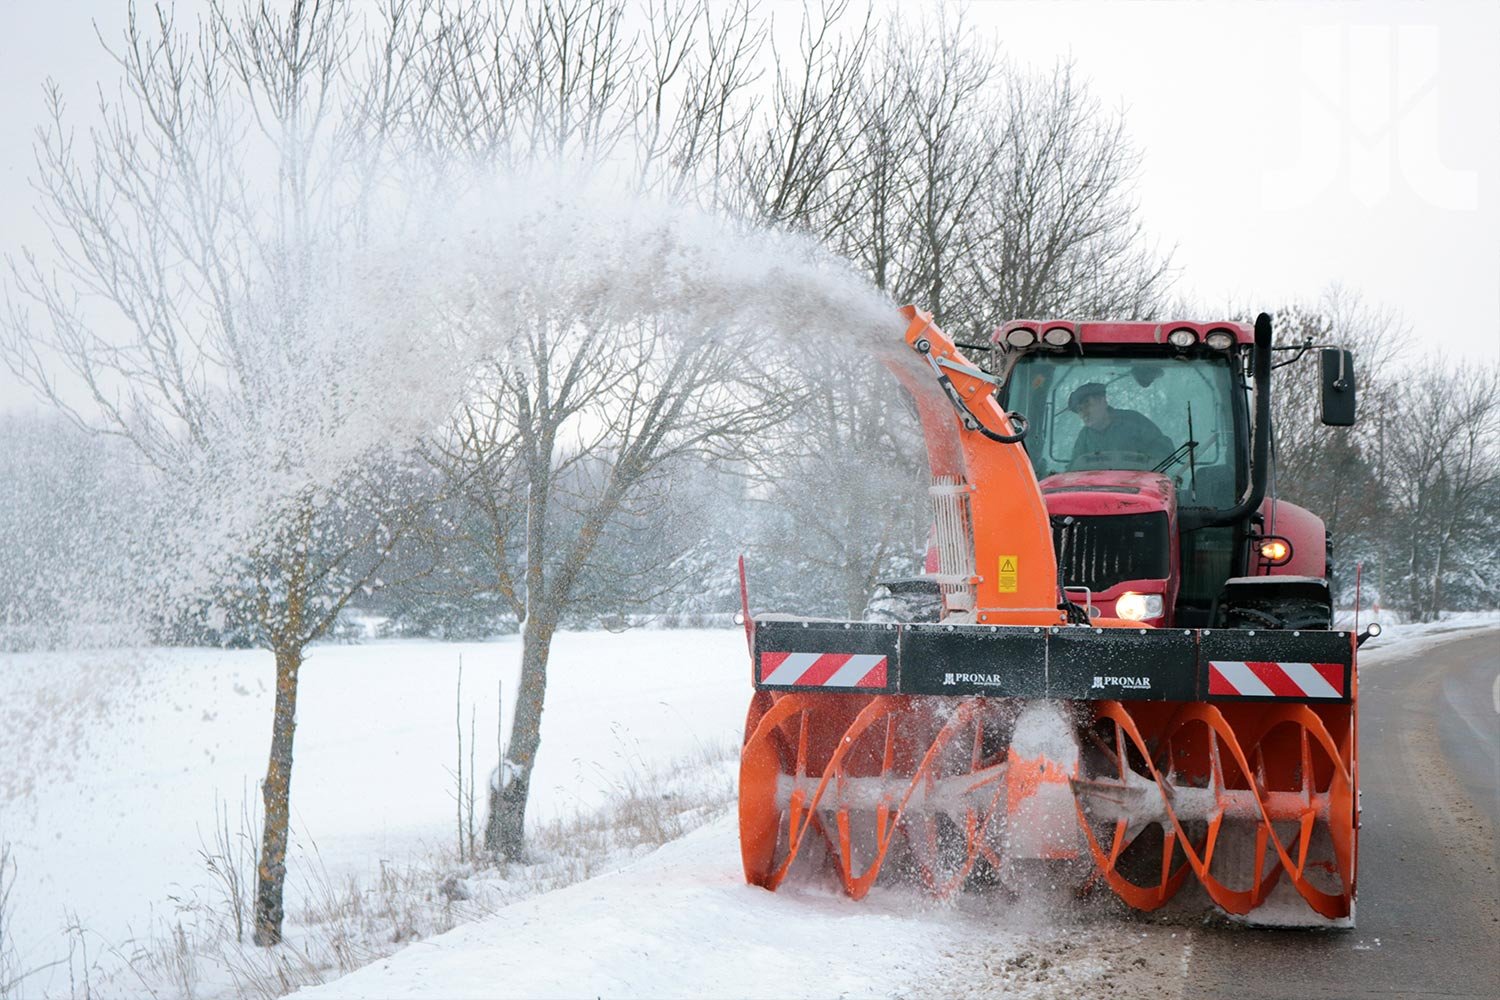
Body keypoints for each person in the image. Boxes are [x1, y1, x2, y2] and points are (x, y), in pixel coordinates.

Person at [1067, 382, 1173, 468]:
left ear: (1103, 401)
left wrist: (1147, 468)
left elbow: (1164, 450)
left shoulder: (1134, 422)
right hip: (1099, 490)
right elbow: (1073, 470)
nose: (1084, 413)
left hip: (1138, 487)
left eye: (1087, 405)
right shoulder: (1084, 437)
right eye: (1080, 410)